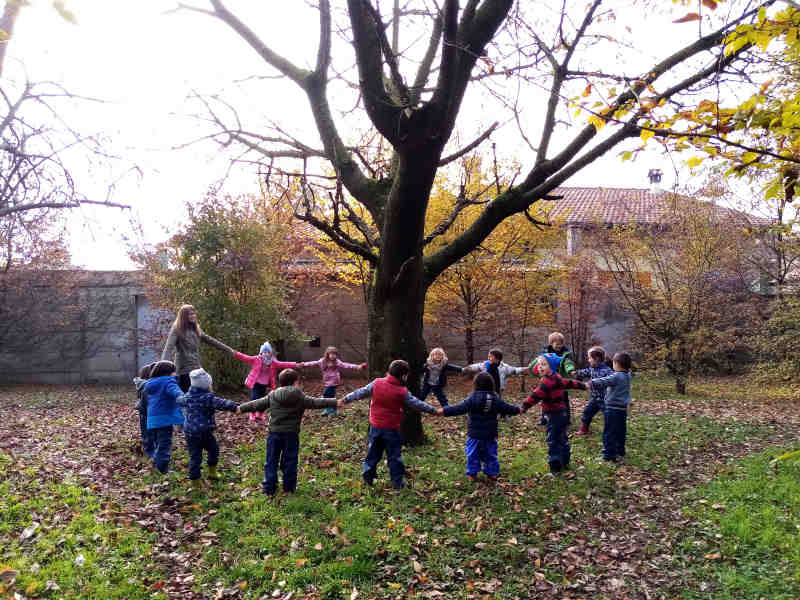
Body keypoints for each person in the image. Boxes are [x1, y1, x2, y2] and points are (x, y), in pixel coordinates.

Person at [237, 368, 340, 495]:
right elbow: (316, 402)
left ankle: (269, 488)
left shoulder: (273, 395)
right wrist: (335, 402)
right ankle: (289, 488)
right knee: (290, 461)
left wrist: (240, 408)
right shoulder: (300, 396)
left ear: (281, 382)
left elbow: (257, 404)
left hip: (274, 433)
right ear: (295, 382)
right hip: (291, 435)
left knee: (271, 460)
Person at [341, 359, 438, 489]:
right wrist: (434, 410)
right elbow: (417, 403)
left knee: (372, 454)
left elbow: (360, 392)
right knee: (394, 456)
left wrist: (345, 399)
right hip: (392, 430)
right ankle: (397, 482)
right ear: (404, 376)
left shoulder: (376, 383)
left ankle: (367, 477)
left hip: (375, 428)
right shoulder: (402, 391)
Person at [436, 372, 521, 483]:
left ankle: (472, 473)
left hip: (474, 434)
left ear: (475, 385)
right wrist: (518, 410)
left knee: (472, 454)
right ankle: (492, 473)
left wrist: (444, 411)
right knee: (491, 454)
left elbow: (459, 408)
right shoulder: (495, 398)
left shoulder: (473, 398)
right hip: (490, 434)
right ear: (492, 385)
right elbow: (507, 408)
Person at [522, 354, 587, 474]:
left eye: (543, 364)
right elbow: (569, 383)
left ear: (551, 366)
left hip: (553, 414)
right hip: (562, 413)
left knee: (553, 440)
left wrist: (524, 406)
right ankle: (565, 461)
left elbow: (535, 395)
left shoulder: (547, 382)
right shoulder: (556, 377)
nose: (540, 367)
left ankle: (555, 468)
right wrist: (582, 385)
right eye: (539, 364)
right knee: (562, 438)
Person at [177, 368, 239, 489]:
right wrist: (235, 406)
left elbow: (179, 400)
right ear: (206, 385)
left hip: (190, 433)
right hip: (204, 432)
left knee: (195, 456)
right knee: (213, 450)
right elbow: (222, 403)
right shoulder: (207, 398)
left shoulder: (188, 397)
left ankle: (196, 480)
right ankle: (211, 473)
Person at [161, 304, 234, 392]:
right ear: (184, 316)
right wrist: (163, 367)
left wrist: (229, 350)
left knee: (203, 391)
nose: (193, 316)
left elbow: (211, 340)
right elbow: (168, 348)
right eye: (190, 314)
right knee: (187, 395)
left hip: (196, 366)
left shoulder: (195, 329)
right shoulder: (177, 329)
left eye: (194, 314)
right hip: (184, 370)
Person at [232, 341, 298, 422]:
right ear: (261, 353)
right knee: (254, 398)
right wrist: (236, 354)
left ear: (270, 353)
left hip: (265, 384)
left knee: (263, 399)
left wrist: (295, 364)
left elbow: (283, 364)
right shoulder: (257, 359)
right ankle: (252, 414)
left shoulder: (273, 362)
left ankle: (260, 414)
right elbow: (246, 357)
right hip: (256, 383)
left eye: (268, 352)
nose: (266, 354)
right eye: (264, 352)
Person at [588, 352, 633, 462]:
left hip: (612, 409)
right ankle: (620, 451)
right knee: (620, 431)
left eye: (613, 362)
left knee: (609, 432)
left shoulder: (617, 376)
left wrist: (591, 383)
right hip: (622, 409)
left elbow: (605, 381)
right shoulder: (628, 375)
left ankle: (608, 455)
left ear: (617, 364)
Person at [298, 346, 366, 416]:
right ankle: (329, 409)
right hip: (326, 381)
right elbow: (313, 363)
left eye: (335, 354)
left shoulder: (337, 362)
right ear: (327, 354)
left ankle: (332, 410)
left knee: (327, 394)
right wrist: (304, 364)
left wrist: (357, 367)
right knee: (329, 396)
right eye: (331, 354)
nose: (333, 356)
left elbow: (346, 365)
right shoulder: (323, 361)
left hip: (334, 381)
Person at [144, 360, 185, 474]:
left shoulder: (150, 384)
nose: (175, 374)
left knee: (159, 443)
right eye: (173, 372)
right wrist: (184, 398)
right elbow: (176, 393)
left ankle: (156, 462)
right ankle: (162, 469)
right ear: (168, 372)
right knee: (165, 445)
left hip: (152, 419)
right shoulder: (168, 382)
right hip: (164, 419)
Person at [531, 332, 578, 425]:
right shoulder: (545, 353)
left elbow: (567, 363)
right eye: (557, 343)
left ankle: (566, 419)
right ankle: (544, 419)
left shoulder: (565, 353)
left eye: (561, 343)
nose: (559, 345)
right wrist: (532, 369)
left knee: (563, 400)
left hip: (560, 381)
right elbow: (537, 363)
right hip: (547, 380)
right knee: (545, 399)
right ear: (551, 343)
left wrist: (571, 370)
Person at [573, 346, 614, 436]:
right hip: (594, 398)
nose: (588, 360)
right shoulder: (592, 369)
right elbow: (586, 371)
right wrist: (577, 372)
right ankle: (584, 430)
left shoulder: (607, 371)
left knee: (609, 416)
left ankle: (612, 431)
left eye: (590, 358)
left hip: (605, 399)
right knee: (587, 413)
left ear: (597, 359)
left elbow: (612, 380)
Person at [133, 362, 156, 461]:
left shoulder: (141, 384)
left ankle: (148, 451)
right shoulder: (147, 386)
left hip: (143, 412)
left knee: (146, 433)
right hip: (148, 412)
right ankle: (150, 453)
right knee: (150, 434)